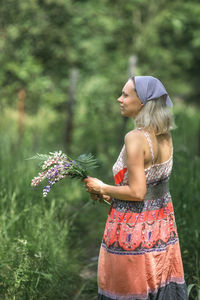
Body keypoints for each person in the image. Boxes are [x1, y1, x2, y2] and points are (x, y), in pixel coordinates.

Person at [83, 76, 188, 299]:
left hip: (134, 233)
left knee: (130, 290)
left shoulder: (135, 138)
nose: (119, 99)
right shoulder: (165, 136)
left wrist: (102, 187)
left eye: (125, 94)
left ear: (142, 102)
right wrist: (111, 196)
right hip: (162, 228)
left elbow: (137, 192)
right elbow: (150, 189)